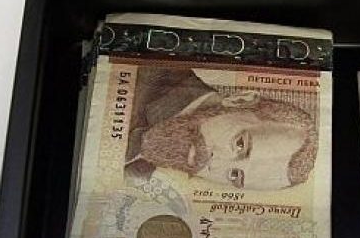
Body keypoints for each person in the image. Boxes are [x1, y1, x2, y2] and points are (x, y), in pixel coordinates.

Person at [126, 66, 317, 190]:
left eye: (234, 175)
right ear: (239, 101)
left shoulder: (139, 177)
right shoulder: (146, 73)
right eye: (240, 144)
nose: (215, 163)